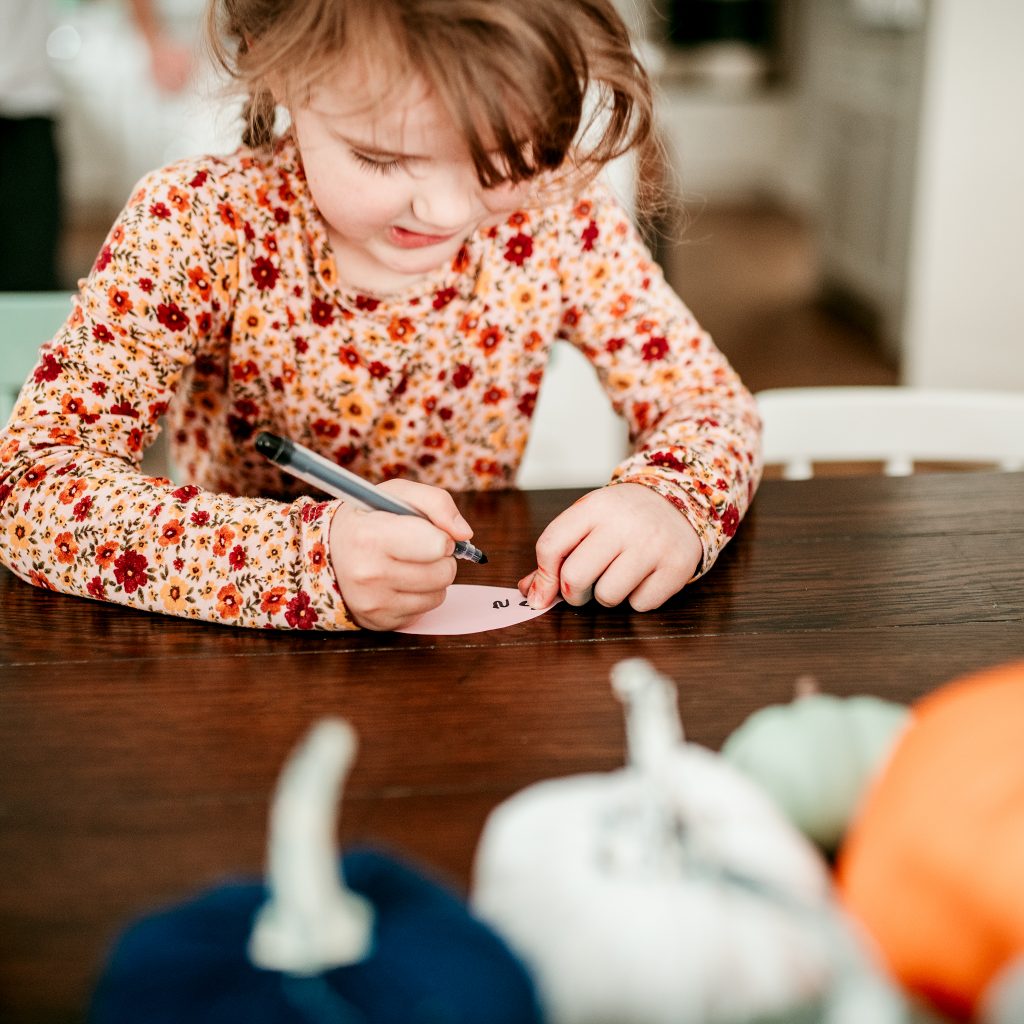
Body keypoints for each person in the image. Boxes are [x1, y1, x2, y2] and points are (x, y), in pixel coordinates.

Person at [0, 0, 762, 632]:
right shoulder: (199, 222)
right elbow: (30, 490)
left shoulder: (559, 220)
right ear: (281, 67)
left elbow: (709, 404)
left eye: (505, 155)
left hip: (466, 686)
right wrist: (304, 559)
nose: (448, 209)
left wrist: (670, 498)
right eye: (381, 157)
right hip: (232, 681)